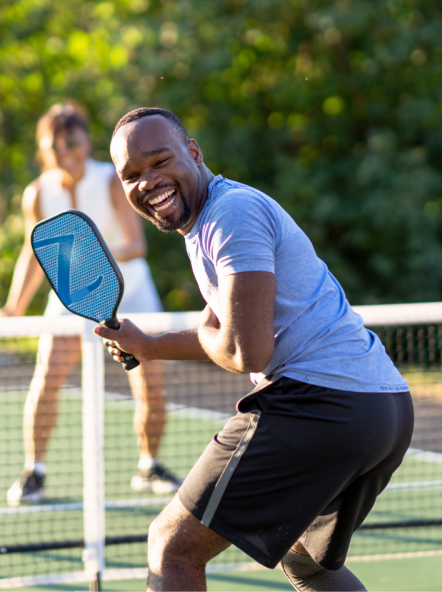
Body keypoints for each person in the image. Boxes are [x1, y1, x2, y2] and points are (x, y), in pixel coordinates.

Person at [94, 107, 414, 591]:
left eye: (160, 161)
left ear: (194, 153)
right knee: (304, 561)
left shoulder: (230, 215)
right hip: (381, 407)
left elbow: (248, 352)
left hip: (321, 403)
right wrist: (150, 346)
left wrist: (208, 334)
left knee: (171, 545)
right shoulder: (207, 220)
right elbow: (230, 330)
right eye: (132, 175)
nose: (148, 181)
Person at [0, 102, 181, 506]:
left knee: (150, 383)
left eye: (73, 142)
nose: (66, 151)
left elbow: (136, 245)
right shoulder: (37, 193)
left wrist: (90, 258)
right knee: (46, 378)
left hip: (130, 292)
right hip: (69, 299)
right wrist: (13, 307)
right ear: (45, 149)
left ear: (86, 141)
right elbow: (33, 254)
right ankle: (35, 471)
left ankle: (149, 464)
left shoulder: (111, 180)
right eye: (56, 145)